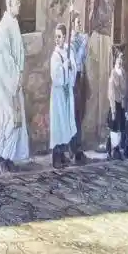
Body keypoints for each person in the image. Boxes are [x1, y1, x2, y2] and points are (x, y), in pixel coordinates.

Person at [0, 0, 29, 172]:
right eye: (16, 2)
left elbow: (18, 53)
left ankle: (9, 157)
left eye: (20, 1)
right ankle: (0, 157)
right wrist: (16, 76)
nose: (19, 5)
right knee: (8, 119)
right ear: (9, 4)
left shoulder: (14, 23)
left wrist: (19, 74)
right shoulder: (4, 26)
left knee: (16, 120)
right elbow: (5, 58)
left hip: (14, 81)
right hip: (5, 82)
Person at [49, 23, 78, 166]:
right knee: (58, 124)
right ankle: (55, 158)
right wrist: (63, 67)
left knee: (65, 124)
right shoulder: (55, 56)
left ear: (65, 37)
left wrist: (71, 66)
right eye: (56, 37)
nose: (57, 39)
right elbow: (55, 77)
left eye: (59, 37)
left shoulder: (68, 51)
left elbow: (74, 69)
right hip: (58, 94)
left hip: (66, 92)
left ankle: (62, 155)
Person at [69, 10, 90, 160]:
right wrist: (83, 44)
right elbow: (76, 61)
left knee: (80, 113)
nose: (80, 25)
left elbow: (84, 60)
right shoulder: (71, 43)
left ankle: (78, 146)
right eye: (77, 23)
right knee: (75, 114)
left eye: (80, 23)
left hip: (82, 78)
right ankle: (74, 148)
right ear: (72, 25)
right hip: (74, 80)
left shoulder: (80, 39)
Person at [107, 44, 127, 160]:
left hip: (121, 104)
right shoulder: (113, 74)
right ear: (115, 59)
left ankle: (117, 147)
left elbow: (124, 88)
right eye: (118, 58)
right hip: (115, 104)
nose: (120, 60)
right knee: (114, 127)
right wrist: (113, 110)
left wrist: (123, 101)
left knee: (119, 127)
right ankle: (113, 148)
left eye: (122, 58)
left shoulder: (123, 72)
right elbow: (112, 93)